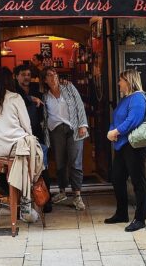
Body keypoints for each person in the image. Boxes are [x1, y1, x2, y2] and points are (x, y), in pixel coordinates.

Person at [0, 67, 44, 214]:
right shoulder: (15, 97)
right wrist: (31, 137)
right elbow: (27, 125)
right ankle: (28, 196)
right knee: (39, 151)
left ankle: (15, 189)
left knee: (28, 153)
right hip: (16, 147)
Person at [105, 69, 146, 232]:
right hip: (122, 145)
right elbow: (116, 118)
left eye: (121, 80)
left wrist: (116, 132)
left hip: (134, 146)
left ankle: (140, 218)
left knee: (138, 182)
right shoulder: (125, 99)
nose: (118, 83)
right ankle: (122, 213)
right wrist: (112, 131)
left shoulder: (137, 97)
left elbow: (133, 120)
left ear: (129, 81)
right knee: (117, 178)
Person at [41, 66, 89, 211]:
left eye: (55, 74)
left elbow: (79, 105)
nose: (53, 76)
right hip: (56, 131)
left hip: (73, 128)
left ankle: (77, 196)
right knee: (60, 162)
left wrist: (83, 124)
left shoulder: (69, 88)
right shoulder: (45, 96)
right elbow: (44, 115)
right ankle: (62, 191)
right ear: (45, 80)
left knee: (75, 162)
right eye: (49, 75)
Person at [13, 64, 52, 213]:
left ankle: (46, 201)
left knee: (43, 165)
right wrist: (30, 99)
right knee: (25, 168)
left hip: (37, 133)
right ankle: (24, 202)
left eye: (28, 74)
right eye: (23, 74)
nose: (26, 77)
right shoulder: (14, 92)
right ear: (16, 76)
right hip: (20, 135)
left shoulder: (36, 88)